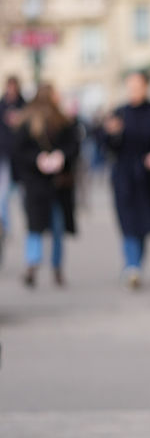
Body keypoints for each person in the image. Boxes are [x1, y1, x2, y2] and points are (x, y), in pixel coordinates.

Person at [102, 70, 150, 287]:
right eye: (130, 86)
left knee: (143, 224)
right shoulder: (119, 113)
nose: (134, 91)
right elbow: (106, 146)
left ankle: (135, 264)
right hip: (123, 178)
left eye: (137, 86)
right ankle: (132, 265)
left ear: (146, 86)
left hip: (147, 180)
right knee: (127, 223)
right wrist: (113, 133)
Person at [13, 83, 80, 287]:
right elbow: (19, 151)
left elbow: (73, 146)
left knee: (48, 227)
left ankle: (49, 266)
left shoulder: (62, 121)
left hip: (55, 184)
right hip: (37, 183)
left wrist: (61, 157)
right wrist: (38, 159)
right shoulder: (29, 122)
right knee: (38, 226)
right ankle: (40, 265)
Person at [0, 74, 26, 237]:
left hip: (21, 157)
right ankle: (4, 226)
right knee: (3, 196)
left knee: (23, 195)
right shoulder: (1, 105)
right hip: (4, 156)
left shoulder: (24, 105)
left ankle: (27, 226)